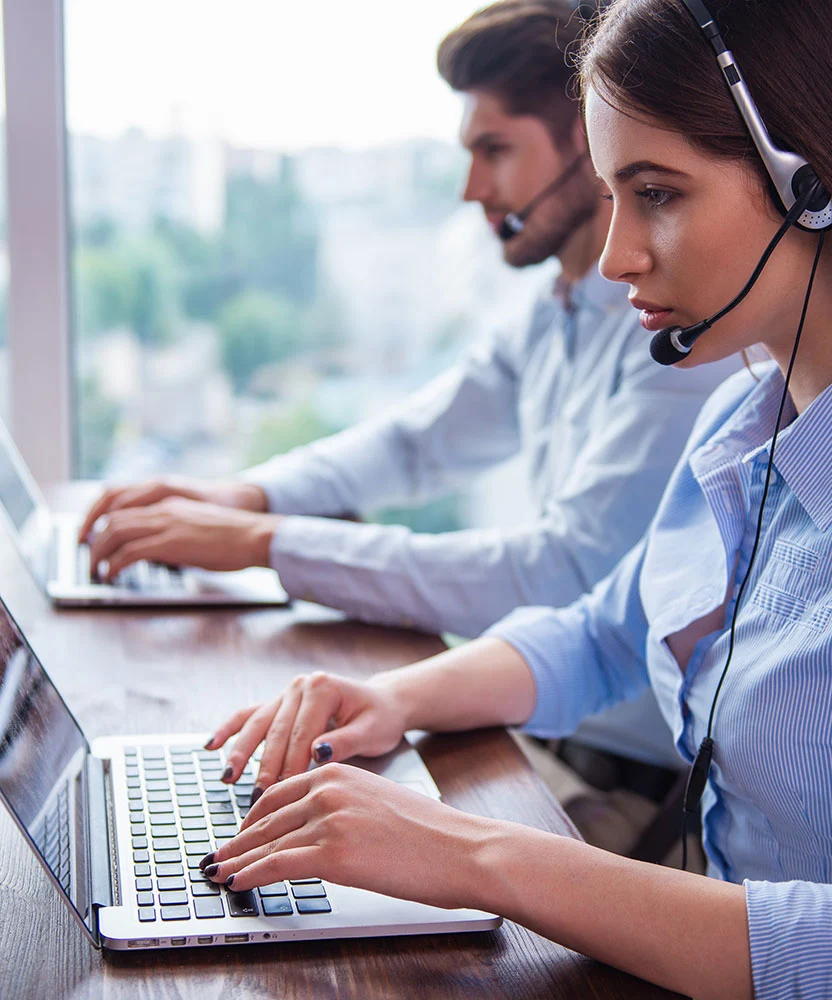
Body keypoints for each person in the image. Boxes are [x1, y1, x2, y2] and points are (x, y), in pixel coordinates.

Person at [191, 0, 832, 996]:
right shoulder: (745, 418)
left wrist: (475, 857)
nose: (617, 254)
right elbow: (609, 631)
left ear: (817, 183)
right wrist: (388, 701)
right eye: (615, 193)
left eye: (656, 192)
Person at [78, 0, 737, 790]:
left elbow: (557, 574)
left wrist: (265, 544)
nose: (470, 189)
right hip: (530, 727)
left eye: (495, 150)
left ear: (588, 142)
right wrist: (240, 496)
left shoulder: (689, 345)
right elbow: (415, 443)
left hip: (623, 779)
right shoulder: (555, 306)